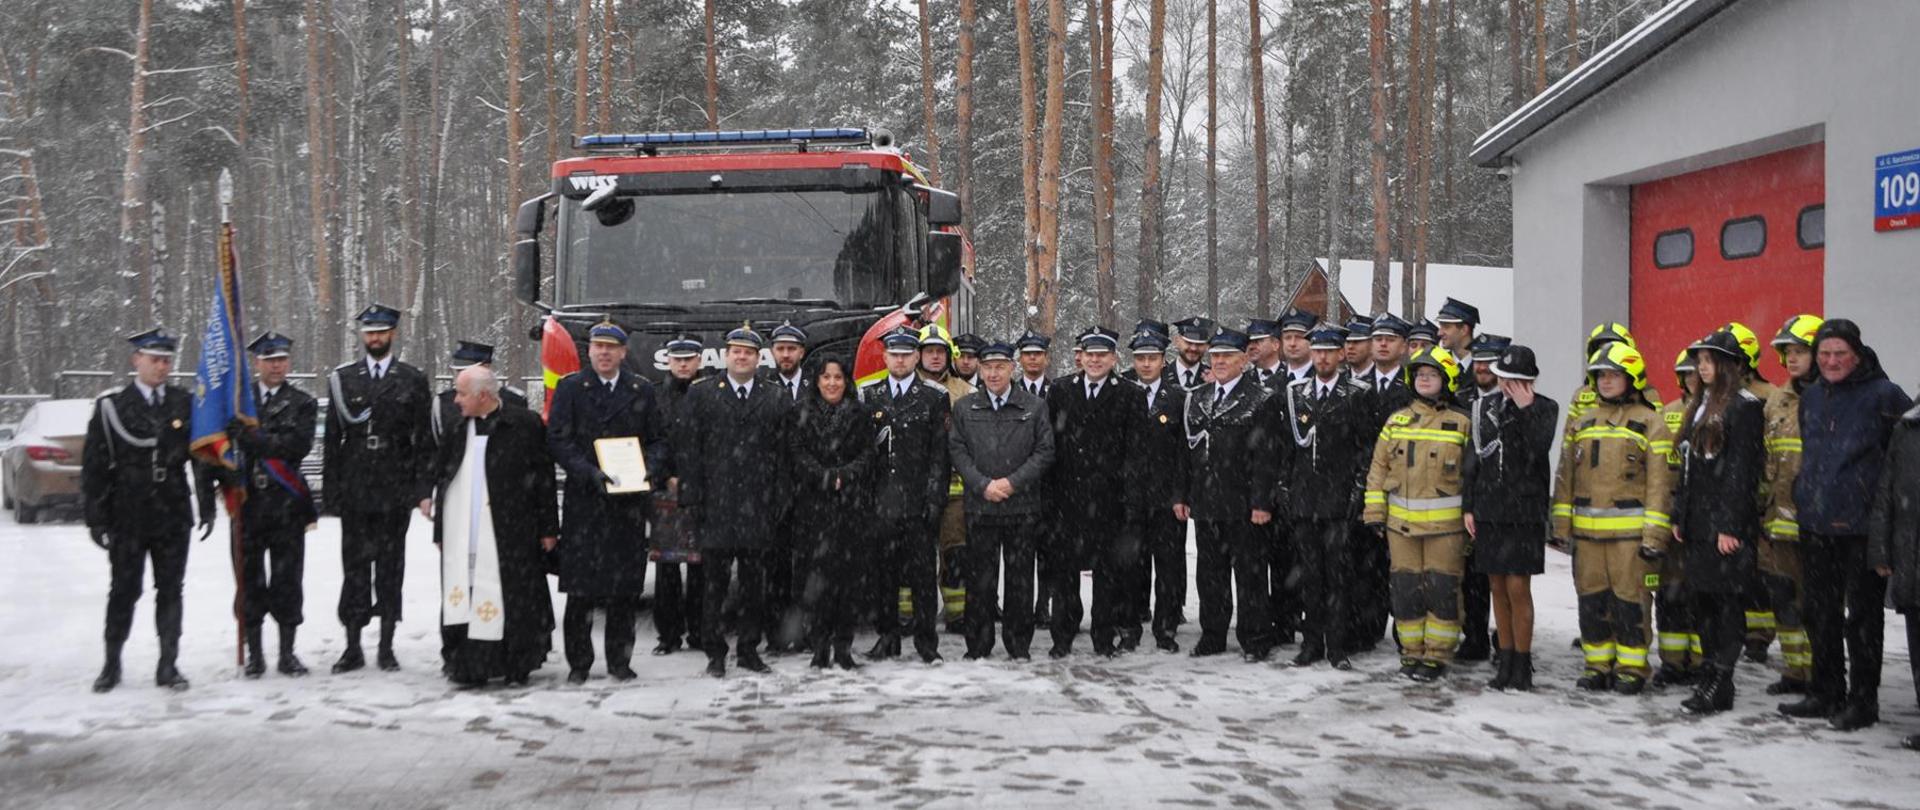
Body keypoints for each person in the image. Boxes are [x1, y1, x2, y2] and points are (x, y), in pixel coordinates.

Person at [1781, 319, 1911, 730]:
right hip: (1817, 523)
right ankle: (1825, 691)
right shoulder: (1813, 397)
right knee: (1820, 613)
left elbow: (1908, 449)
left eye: (1840, 354)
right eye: (1824, 355)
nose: (1832, 361)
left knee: (1863, 621)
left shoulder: (1884, 395)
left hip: (1861, 528)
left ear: (1857, 355)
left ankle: (1862, 702)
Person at [83, 328, 214, 692]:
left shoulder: (183, 402)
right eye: (154, 359)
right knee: (124, 590)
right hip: (129, 512)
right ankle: (111, 664)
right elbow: (95, 465)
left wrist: (206, 504)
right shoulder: (112, 406)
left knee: (171, 589)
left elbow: (200, 457)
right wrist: (95, 516)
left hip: (172, 511)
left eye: (166, 360)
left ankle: (168, 664)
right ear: (135, 360)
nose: (161, 367)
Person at [544, 320, 671, 684]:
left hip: (627, 503)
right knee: (581, 591)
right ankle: (579, 664)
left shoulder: (641, 389)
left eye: (610, 347)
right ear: (590, 351)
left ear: (623, 353)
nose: (603, 352)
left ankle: (620, 660)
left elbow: (659, 440)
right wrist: (588, 472)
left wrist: (649, 470)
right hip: (586, 501)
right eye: (598, 346)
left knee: (623, 590)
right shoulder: (571, 388)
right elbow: (558, 439)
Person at [1551, 341, 1673, 695]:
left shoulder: (1651, 422)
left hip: (1630, 538)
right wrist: (1561, 525)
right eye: (1600, 375)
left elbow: (1660, 485)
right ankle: (1597, 665)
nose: (1605, 382)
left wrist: (1654, 536)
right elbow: (1565, 476)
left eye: (1613, 375)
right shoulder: (1583, 421)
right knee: (1592, 602)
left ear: (1631, 379)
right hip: (1588, 537)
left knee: (1630, 602)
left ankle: (1632, 668)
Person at [424, 367, 559, 687]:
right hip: (464, 532)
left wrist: (548, 527)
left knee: (514, 597)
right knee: (465, 595)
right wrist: (441, 531)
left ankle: (516, 661)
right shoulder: (456, 428)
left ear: (483, 395)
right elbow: (444, 479)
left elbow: (543, 478)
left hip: (511, 529)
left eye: (461, 393)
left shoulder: (524, 425)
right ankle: (468, 664)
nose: (455, 400)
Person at [323, 303, 433, 674]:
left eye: (381, 332)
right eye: (369, 332)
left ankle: (386, 645)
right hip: (355, 486)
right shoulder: (344, 379)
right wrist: (331, 492)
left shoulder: (412, 379)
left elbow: (423, 441)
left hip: (394, 486)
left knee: (390, 568)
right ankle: (352, 646)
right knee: (354, 568)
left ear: (393, 334)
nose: (375, 338)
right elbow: (332, 441)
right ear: (361, 336)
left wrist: (421, 488)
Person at [680, 323, 795, 677]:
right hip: (716, 506)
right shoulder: (701, 394)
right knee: (712, 587)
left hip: (759, 507)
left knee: (753, 587)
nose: (741, 357)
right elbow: (691, 451)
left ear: (759, 358)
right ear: (726, 356)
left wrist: (780, 500)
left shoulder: (775, 396)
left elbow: (785, 454)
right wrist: (692, 500)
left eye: (748, 352)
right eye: (735, 352)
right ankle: (715, 653)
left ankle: (748, 649)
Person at [1670, 330, 1767, 715]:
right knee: (1703, 602)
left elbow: (1742, 473)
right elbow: (1689, 467)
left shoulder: (1744, 406)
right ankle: (1709, 673)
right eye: (1700, 362)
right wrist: (1681, 515)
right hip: (1698, 524)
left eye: (1709, 361)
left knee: (1726, 604)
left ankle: (1721, 678)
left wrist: (1729, 525)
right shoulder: (1701, 404)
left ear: (1728, 365)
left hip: (1725, 527)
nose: (1702, 368)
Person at [1363, 347, 1472, 682]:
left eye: (1432, 374)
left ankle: (1437, 655)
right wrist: (1374, 513)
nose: (1425, 379)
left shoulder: (1462, 423)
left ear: (1447, 380)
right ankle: (1411, 653)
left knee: (1442, 591)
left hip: (1446, 529)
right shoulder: (1396, 421)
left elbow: (1473, 477)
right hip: (1401, 528)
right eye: (1420, 374)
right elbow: (1378, 470)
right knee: (1406, 591)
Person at [1175, 328, 1283, 662]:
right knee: (1210, 575)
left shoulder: (1262, 398)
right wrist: (1181, 495)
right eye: (1215, 356)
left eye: (1227, 356)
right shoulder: (1197, 396)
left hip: (1245, 505)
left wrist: (1262, 502)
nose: (1219, 362)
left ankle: (1254, 638)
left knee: (1250, 575)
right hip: (1206, 503)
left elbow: (1268, 456)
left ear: (1243, 360)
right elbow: (1185, 452)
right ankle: (1213, 634)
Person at [220, 331, 319, 678]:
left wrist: (254, 439)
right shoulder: (239, 404)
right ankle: (255, 653)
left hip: (286, 504)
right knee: (250, 581)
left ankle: (287, 652)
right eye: (269, 360)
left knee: (287, 579)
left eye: (282, 360)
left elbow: (296, 446)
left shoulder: (303, 403)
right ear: (256, 362)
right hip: (248, 504)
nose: (276, 366)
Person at [949, 340, 1056, 660]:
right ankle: (978, 645)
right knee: (980, 582)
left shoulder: (1034, 406)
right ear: (980, 370)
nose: (993, 373)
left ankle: (1018, 644)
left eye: (1000, 367)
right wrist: (983, 485)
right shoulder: (966, 408)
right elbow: (957, 451)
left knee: (1020, 581)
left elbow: (1044, 451)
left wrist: (1011, 483)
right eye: (987, 367)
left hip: (1021, 508)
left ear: (1013, 368)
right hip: (981, 507)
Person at [1278, 327, 1376, 670]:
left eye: (1329, 351)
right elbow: (1288, 447)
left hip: (1339, 500)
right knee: (1310, 576)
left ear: (1339, 355)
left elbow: (1367, 448)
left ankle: (1337, 645)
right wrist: (1284, 487)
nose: (1321, 357)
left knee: (1338, 577)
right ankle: (1311, 644)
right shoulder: (1296, 393)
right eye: (1317, 350)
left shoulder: (1358, 393)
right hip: (1305, 499)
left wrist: (1359, 490)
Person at [1461, 344, 1558, 691]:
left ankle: (1522, 659)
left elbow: (1538, 447)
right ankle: (1505, 657)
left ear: (1530, 381)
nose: (1509, 387)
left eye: (1517, 381)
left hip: (1524, 512)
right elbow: (1473, 460)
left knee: (1518, 586)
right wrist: (1468, 506)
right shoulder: (1482, 408)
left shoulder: (1544, 408)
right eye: (1505, 379)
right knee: (1496, 586)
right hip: (1490, 509)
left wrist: (1525, 407)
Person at [1045, 326, 1144, 658]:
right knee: (1064, 576)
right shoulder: (1059, 391)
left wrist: (1130, 502)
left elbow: (1135, 452)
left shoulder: (1130, 394)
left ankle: (1104, 638)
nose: (1095, 360)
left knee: (1107, 577)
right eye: (1090, 354)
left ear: (1114, 358)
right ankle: (1063, 636)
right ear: (1080, 357)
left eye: (1102, 355)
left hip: (1109, 501)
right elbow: (1051, 448)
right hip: (1066, 501)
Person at [858, 326, 951, 664]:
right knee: (885, 576)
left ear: (916, 357)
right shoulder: (868, 394)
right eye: (894, 354)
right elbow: (863, 455)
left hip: (918, 504)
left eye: (906, 354)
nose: (899, 359)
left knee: (923, 577)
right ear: (884, 357)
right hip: (881, 504)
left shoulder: (934, 395)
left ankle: (927, 643)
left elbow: (939, 456)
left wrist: (934, 500)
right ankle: (888, 637)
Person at [786, 354, 878, 670]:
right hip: (813, 510)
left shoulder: (861, 413)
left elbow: (868, 454)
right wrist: (824, 476)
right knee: (816, 585)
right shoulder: (800, 412)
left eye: (838, 377)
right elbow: (796, 453)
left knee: (848, 585)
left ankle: (843, 647)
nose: (832, 383)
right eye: (826, 377)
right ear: (816, 381)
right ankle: (818, 646)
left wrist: (845, 475)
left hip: (852, 510)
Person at [1754, 314, 1822, 695]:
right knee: (1785, 600)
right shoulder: (1777, 400)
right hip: (1778, 521)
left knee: (1817, 604)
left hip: (1817, 524)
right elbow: (1767, 460)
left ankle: (1819, 673)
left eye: (1800, 351)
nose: (1792, 359)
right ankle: (1796, 671)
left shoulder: (1829, 397)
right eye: (1788, 353)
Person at [1122, 323, 1190, 652]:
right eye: (1140, 358)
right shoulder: (1121, 393)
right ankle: (1130, 630)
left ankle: (1165, 631)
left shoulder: (1178, 398)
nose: (1146, 364)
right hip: (1131, 499)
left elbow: (1184, 454)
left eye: (1152, 357)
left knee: (1168, 568)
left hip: (1166, 500)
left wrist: (1180, 494)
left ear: (1164, 360)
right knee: (1132, 568)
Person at [1867, 384, 1920, 749]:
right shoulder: (1908, 428)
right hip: (1912, 554)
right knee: (1918, 638)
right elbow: (1886, 491)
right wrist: (1882, 550)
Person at [1452, 332, 1510, 662]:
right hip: (1468, 496)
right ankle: (1474, 637)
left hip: (1503, 499)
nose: (1483, 366)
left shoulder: (1515, 400)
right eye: (1480, 360)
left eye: (1490, 360)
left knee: (1504, 578)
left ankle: (1507, 641)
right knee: (1472, 578)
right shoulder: (1460, 397)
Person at [1651, 349, 1706, 689]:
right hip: (1672, 517)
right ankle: (1672, 663)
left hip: (1702, 518)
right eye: (1685, 373)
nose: (1691, 379)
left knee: (1701, 596)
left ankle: (1703, 663)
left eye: (1696, 372)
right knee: (1669, 594)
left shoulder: (1719, 411)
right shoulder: (1667, 413)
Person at [919, 323, 976, 634]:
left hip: (956, 491)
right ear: (919, 355)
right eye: (929, 352)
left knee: (955, 553)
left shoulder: (966, 393)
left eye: (940, 352)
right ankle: (910, 615)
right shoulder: (905, 387)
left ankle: (957, 615)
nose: (935, 357)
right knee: (912, 555)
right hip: (916, 489)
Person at [651, 333, 706, 655]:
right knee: (666, 570)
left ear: (699, 361)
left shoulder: (711, 392)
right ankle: (668, 636)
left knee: (701, 568)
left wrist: (695, 478)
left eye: (689, 359)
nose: (683, 364)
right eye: (677, 359)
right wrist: (665, 476)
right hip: (666, 490)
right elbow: (652, 439)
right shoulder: (655, 396)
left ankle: (698, 632)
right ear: (668, 361)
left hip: (700, 490)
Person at [763, 322, 810, 652]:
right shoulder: (762, 388)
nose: (786, 354)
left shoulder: (817, 385)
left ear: (802, 352)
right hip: (773, 493)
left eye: (791, 348)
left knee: (808, 569)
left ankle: (806, 633)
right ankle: (777, 636)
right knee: (775, 569)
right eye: (780, 348)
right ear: (772, 352)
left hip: (810, 490)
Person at [431, 340, 528, 445]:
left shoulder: (514, 401)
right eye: (457, 371)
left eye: (466, 371)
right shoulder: (443, 403)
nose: (461, 376)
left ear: (486, 368)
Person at [1169, 317, 1214, 391]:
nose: (1194, 348)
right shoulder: (1160, 376)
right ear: (1177, 341)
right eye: (1188, 343)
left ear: (1207, 346)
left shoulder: (1214, 378)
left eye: (1199, 344)